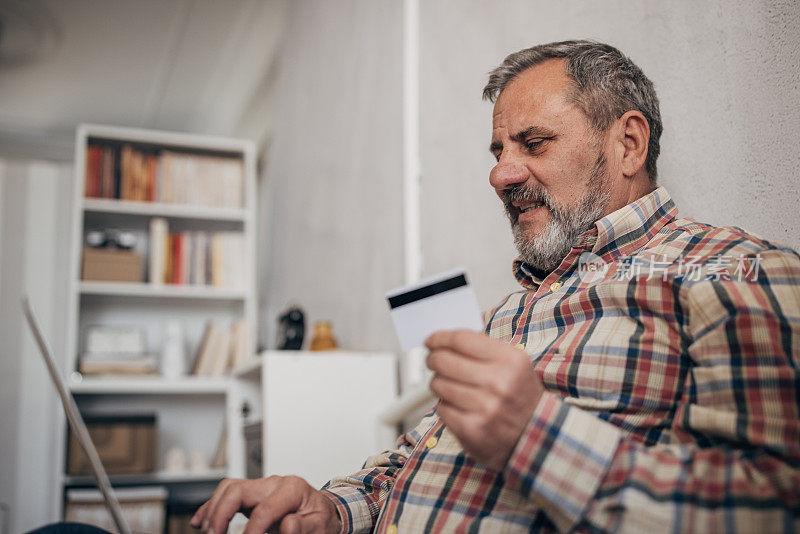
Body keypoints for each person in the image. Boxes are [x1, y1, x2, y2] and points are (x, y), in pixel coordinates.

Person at [191, 40, 800, 533]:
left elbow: (772, 510)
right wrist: (333, 510)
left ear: (628, 144)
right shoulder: (511, 311)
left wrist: (533, 434)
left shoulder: (734, 271)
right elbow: (416, 457)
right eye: (498, 149)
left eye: (533, 143)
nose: (500, 174)